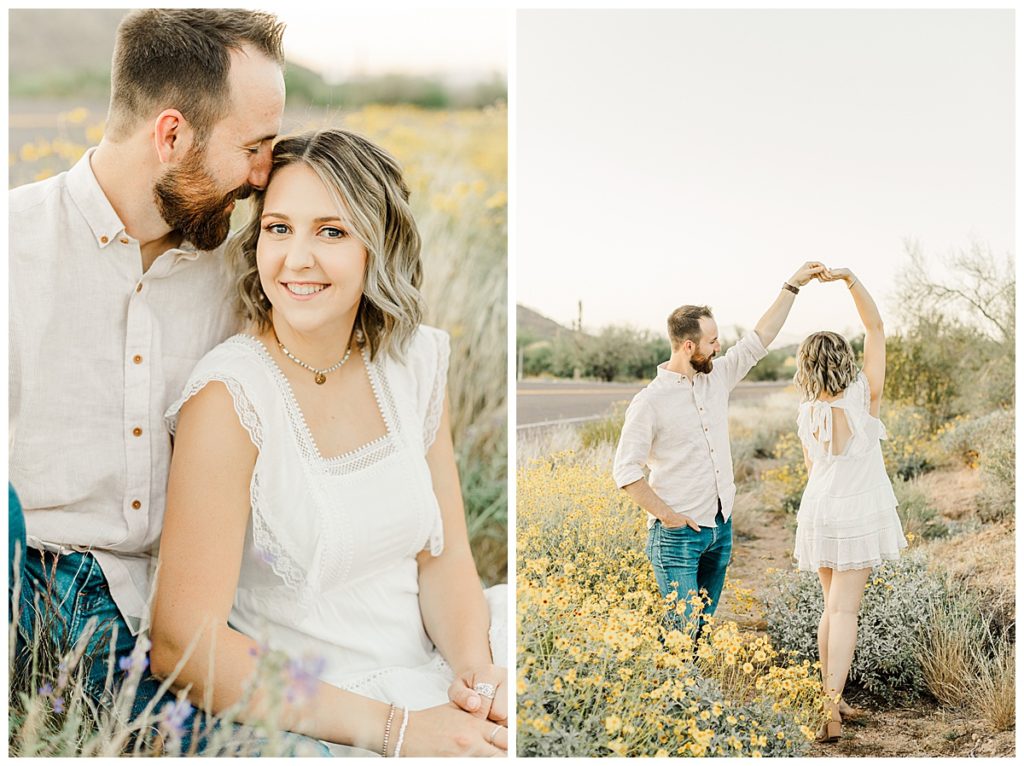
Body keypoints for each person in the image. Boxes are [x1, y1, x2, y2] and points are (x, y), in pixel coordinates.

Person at [150, 128, 508, 757]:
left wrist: (477, 681)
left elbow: (443, 557)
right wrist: (400, 731)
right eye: (278, 228)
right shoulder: (230, 398)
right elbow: (187, 644)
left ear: (379, 244)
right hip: (321, 713)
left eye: (332, 231)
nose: (296, 258)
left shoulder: (413, 362)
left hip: (440, 666)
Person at [8, 6, 286, 736]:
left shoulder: (249, 272)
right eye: (255, 147)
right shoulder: (13, 251)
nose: (264, 177)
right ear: (171, 134)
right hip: (30, 589)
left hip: (189, 608)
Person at [612, 263, 825, 633]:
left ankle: (696, 686)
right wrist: (668, 516)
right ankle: (678, 688)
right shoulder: (649, 402)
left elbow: (761, 338)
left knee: (702, 629)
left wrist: (792, 286)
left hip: (719, 526)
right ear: (689, 346)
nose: (719, 347)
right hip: (678, 535)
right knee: (681, 632)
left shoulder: (717, 378)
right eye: (712, 341)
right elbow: (626, 471)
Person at [791, 267, 907, 742]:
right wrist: (851, 280)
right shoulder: (863, 396)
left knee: (830, 609)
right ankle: (831, 713)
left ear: (806, 368)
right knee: (844, 613)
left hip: (820, 507)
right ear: (843, 360)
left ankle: (833, 699)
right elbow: (876, 329)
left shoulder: (807, 412)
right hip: (855, 510)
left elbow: (811, 467)